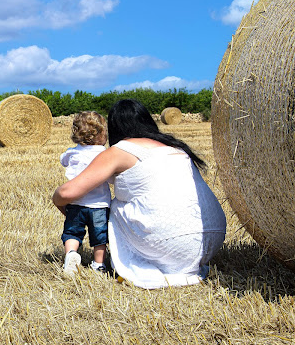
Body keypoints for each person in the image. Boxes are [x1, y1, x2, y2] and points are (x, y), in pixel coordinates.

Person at [52, 99, 226, 288]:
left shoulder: (120, 150)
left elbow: (69, 192)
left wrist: (58, 201)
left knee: (116, 204)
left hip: (169, 243)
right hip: (211, 240)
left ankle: (100, 262)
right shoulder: (176, 148)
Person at [58, 111, 111, 276]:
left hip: (75, 203)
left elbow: (63, 160)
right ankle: (99, 264)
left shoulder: (72, 152)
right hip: (99, 205)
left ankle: (71, 254)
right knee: (99, 237)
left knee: (73, 232)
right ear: (102, 133)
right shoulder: (104, 154)